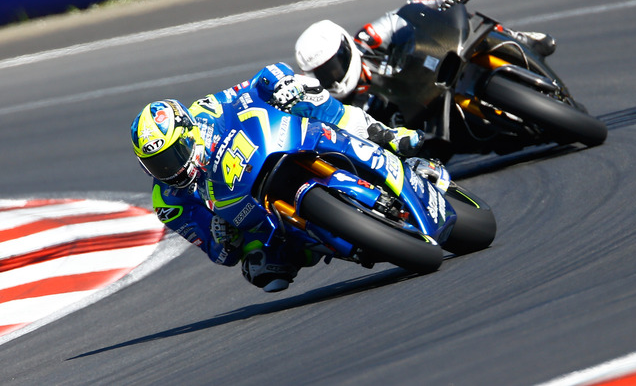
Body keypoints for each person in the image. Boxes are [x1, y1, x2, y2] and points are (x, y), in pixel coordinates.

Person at [130, 62, 445, 293]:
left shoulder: (205, 111)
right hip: (250, 213)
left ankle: (389, 139)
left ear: (188, 133)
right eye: (157, 164)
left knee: (309, 97)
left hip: (272, 147)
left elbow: (254, 84)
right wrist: (221, 236)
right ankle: (325, 239)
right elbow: (221, 254)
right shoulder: (168, 202)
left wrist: (280, 83)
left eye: (172, 155)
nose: (170, 169)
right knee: (264, 273)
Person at [294, 0, 556, 121]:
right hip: (421, 118)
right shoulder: (339, 107)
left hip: (434, 64)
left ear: (345, 48)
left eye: (333, 66)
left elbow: (405, 13)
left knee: (469, 23)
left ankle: (518, 37)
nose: (333, 76)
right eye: (323, 73)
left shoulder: (367, 39)